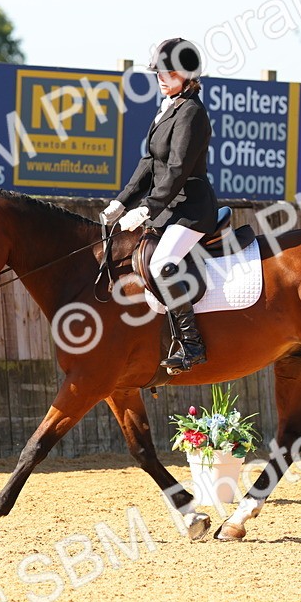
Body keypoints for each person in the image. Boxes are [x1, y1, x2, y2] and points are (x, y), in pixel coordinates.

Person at [100, 37, 218, 373]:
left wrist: (147, 208)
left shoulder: (192, 113)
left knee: (163, 263)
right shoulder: (168, 108)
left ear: (186, 74)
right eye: (158, 72)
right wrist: (121, 202)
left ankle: (192, 344)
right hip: (170, 208)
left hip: (192, 208)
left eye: (167, 72)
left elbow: (179, 169)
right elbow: (149, 163)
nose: (160, 78)